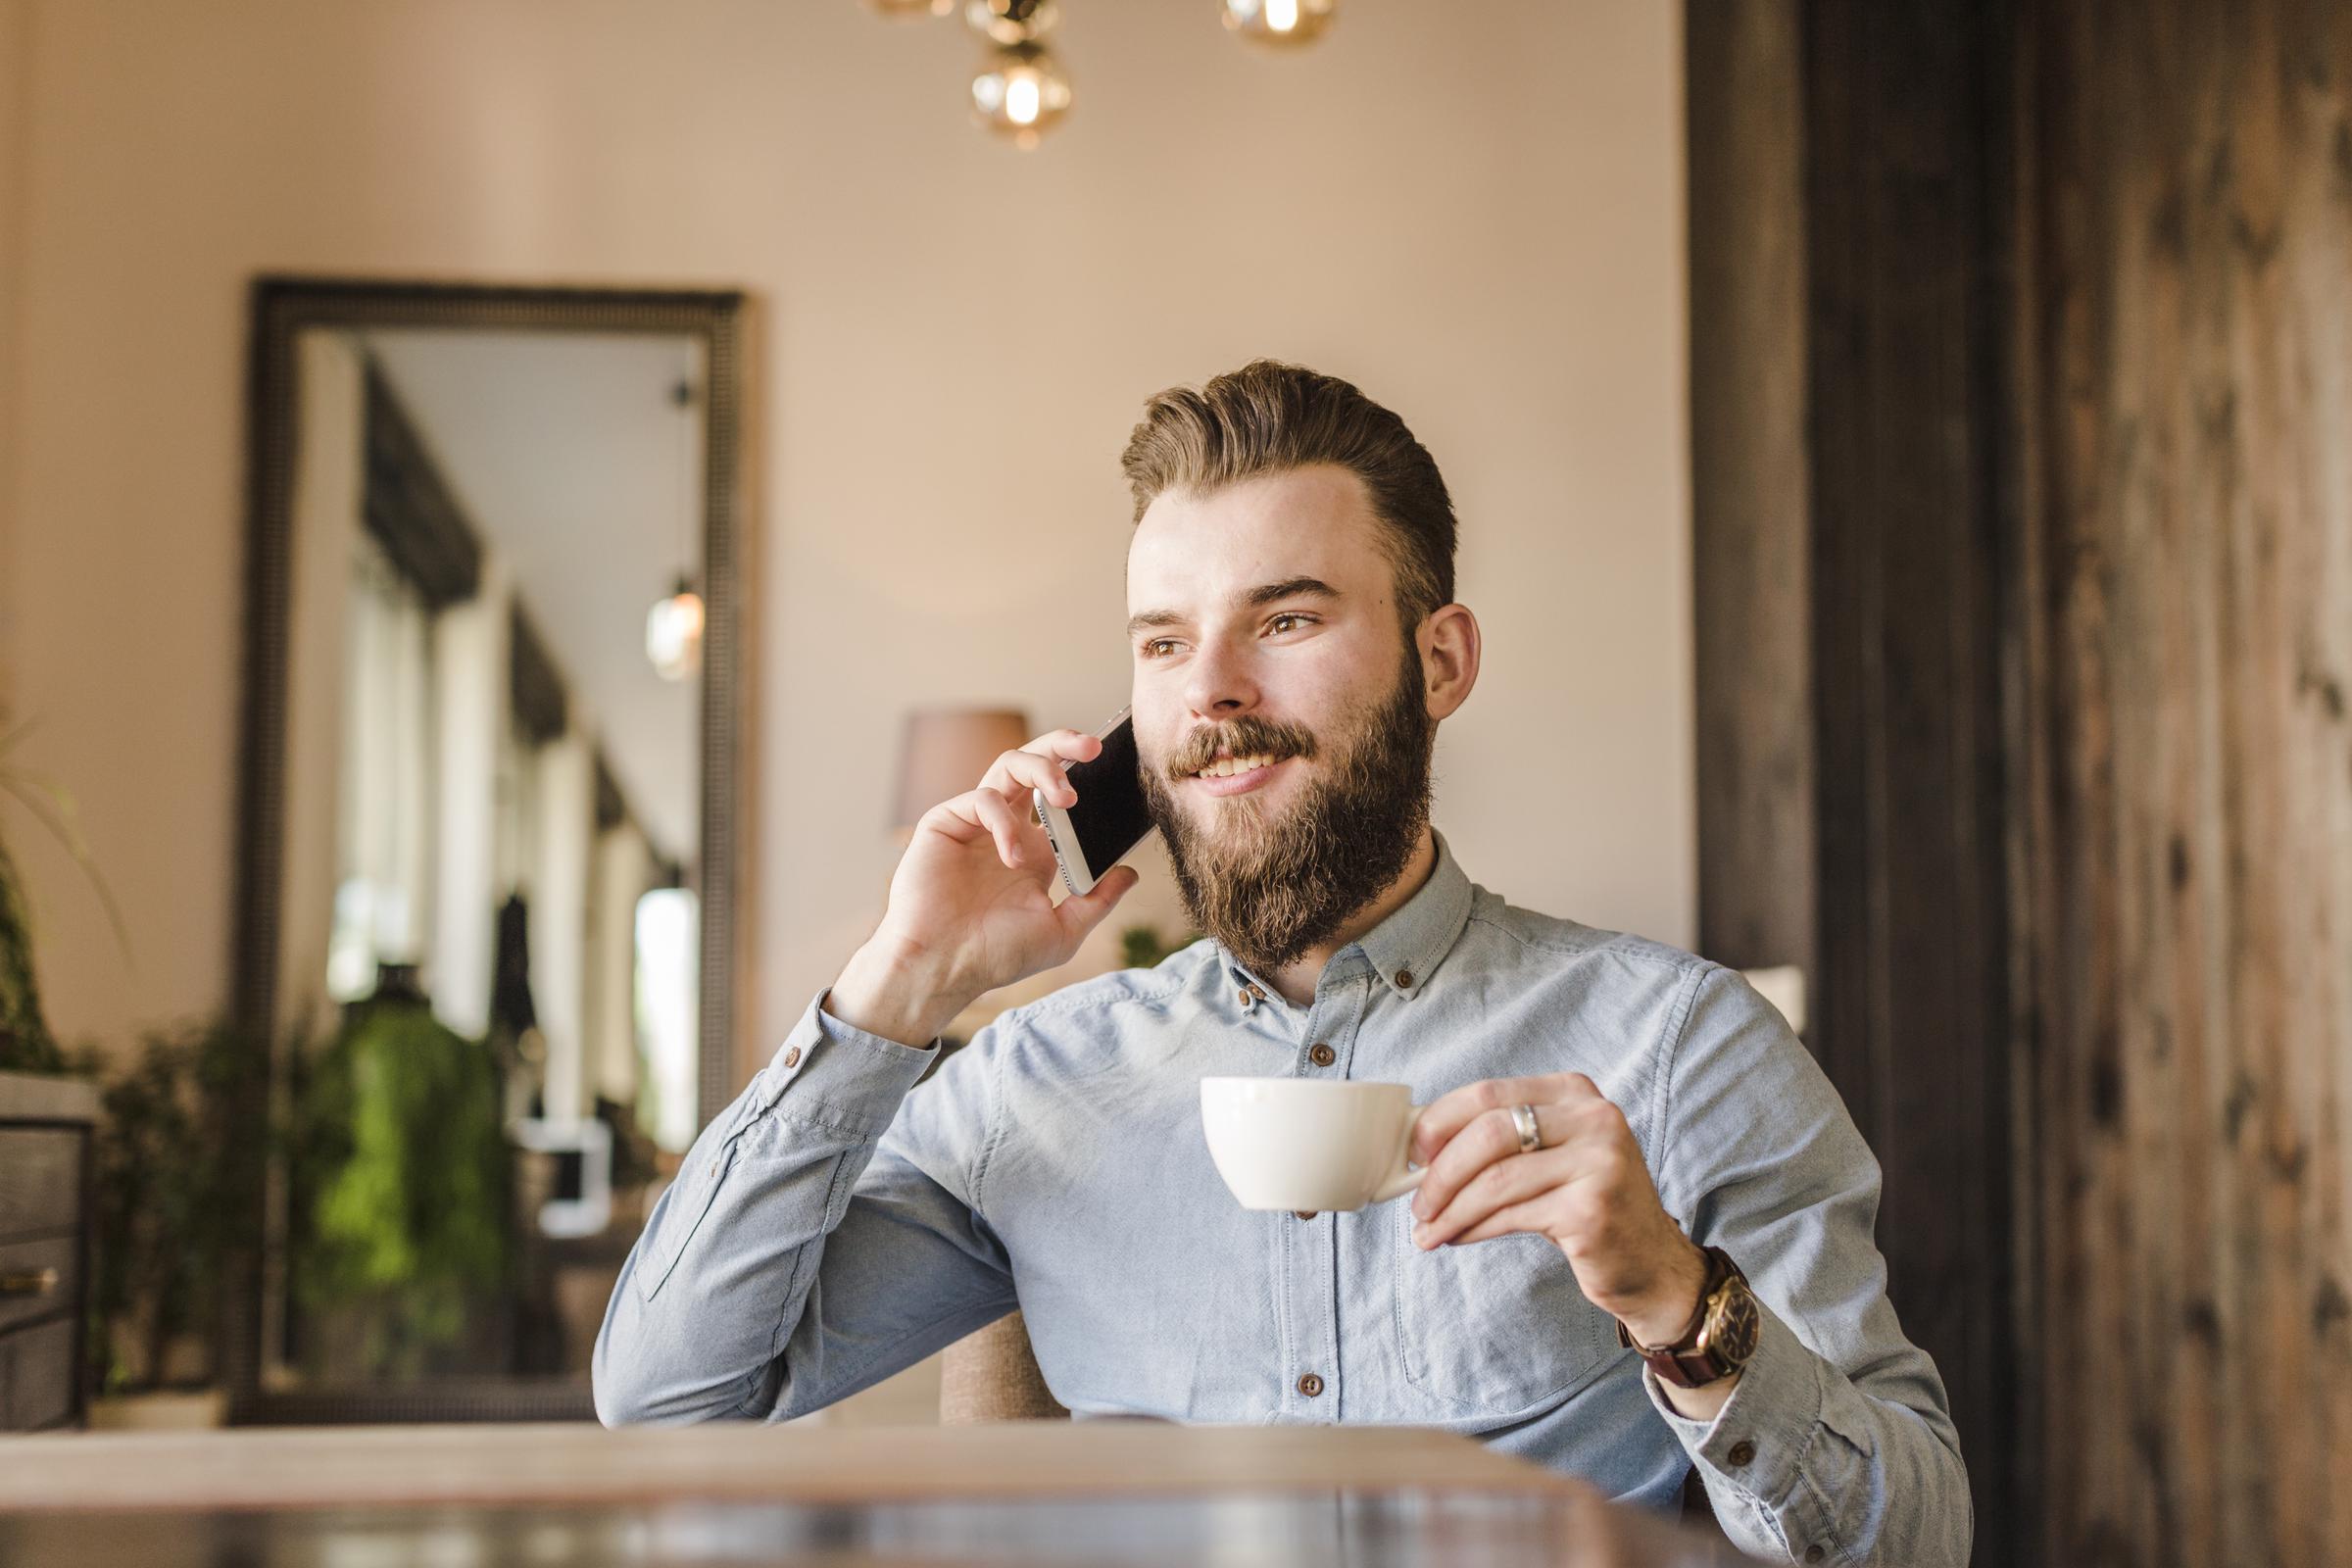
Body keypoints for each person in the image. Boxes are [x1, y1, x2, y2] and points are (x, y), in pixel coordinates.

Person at [594, 361, 1970, 1566]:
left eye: (1287, 619)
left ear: (1441, 662)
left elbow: (1915, 1540)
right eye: (1164, 641)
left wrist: (1683, 1303)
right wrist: (897, 984)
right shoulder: (1037, 1082)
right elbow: (667, 1404)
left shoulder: (1678, 1046)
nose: (1211, 694)